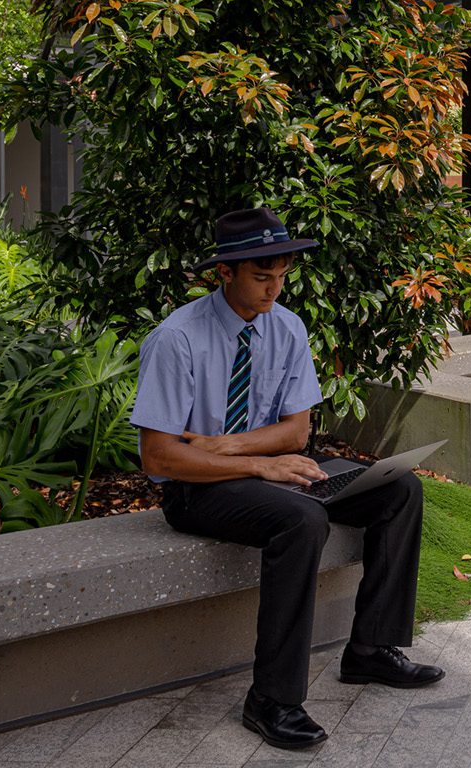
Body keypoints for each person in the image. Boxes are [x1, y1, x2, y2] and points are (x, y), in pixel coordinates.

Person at [131, 207, 444, 752]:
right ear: (224, 273)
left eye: (281, 276)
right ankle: (272, 700)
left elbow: (296, 432)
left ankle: (370, 651)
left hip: (253, 468)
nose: (275, 289)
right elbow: (161, 457)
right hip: (194, 490)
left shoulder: (287, 326)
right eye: (262, 277)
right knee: (303, 518)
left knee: (399, 489)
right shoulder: (176, 338)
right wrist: (256, 462)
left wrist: (228, 444)